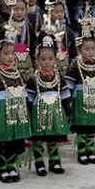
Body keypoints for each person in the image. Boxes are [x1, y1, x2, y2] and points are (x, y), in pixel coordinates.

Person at [65, 11, 95, 165]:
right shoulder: (74, 64)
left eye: (92, 49)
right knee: (82, 129)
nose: (90, 52)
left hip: (94, 102)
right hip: (80, 102)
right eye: (87, 49)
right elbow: (69, 85)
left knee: (92, 128)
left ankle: (91, 152)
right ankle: (82, 152)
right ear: (80, 49)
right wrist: (67, 102)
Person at [0, 34, 31, 183]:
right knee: (2, 141)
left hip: (17, 112)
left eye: (13, 53)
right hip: (2, 113)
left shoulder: (17, 73)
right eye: (6, 54)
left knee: (15, 140)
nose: (10, 57)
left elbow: (23, 94)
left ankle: (12, 166)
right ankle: (2, 167)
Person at [27, 42, 71, 176]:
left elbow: (65, 96)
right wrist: (28, 115)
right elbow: (29, 98)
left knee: (53, 138)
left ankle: (55, 162)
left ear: (55, 60)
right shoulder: (33, 79)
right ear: (38, 60)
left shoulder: (59, 77)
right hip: (38, 114)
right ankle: (39, 164)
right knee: (38, 139)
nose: (47, 62)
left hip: (55, 113)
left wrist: (67, 111)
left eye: (50, 59)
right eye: (43, 59)